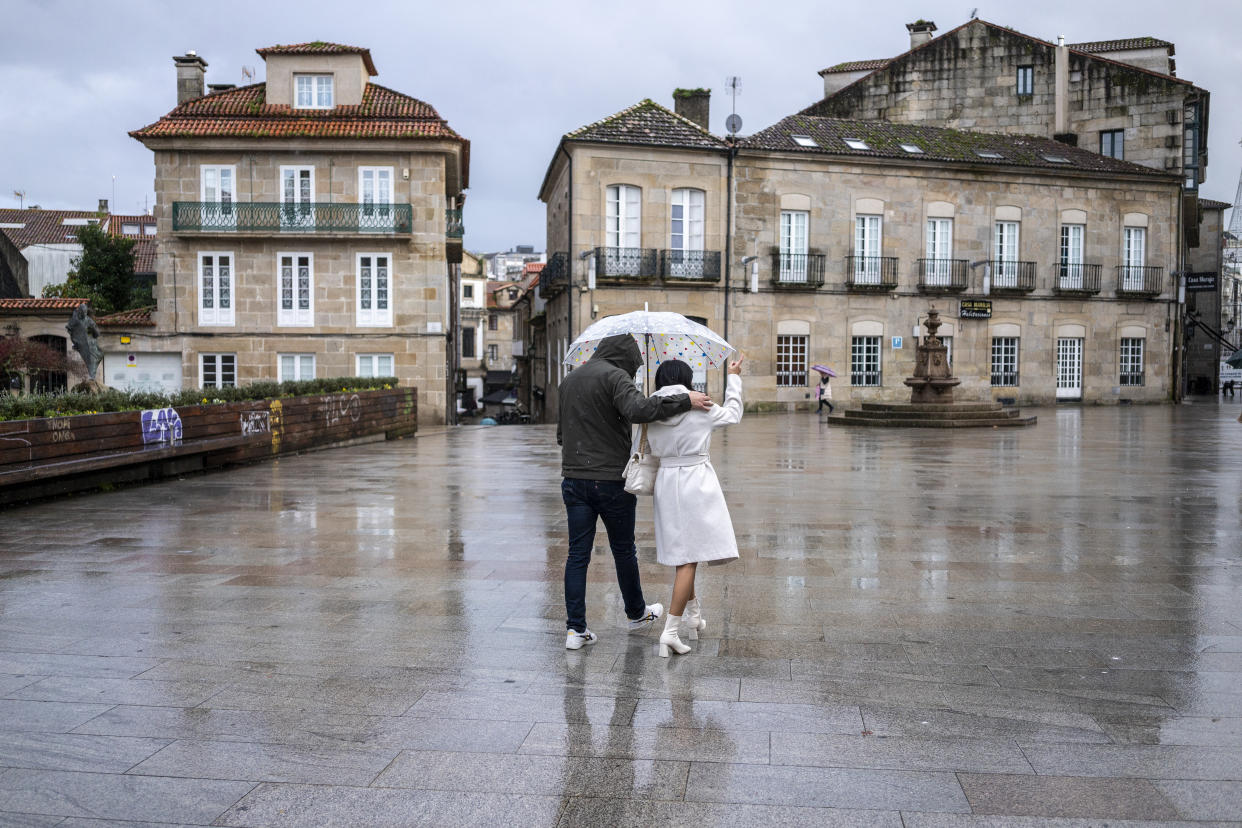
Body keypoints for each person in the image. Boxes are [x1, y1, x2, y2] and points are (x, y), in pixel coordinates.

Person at [557, 333, 714, 650]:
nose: (635, 373)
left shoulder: (569, 380)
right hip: (612, 479)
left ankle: (575, 630)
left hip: (574, 479)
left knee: (577, 555)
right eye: (635, 367)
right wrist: (687, 399)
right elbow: (638, 409)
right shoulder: (616, 376)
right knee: (623, 549)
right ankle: (636, 613)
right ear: (626, 358)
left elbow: (562, 435)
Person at [640, 356, 743, 657]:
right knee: (688, 558)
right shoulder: (698, 404)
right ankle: (670, 631)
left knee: (684, 552)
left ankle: (693, 614)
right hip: (695, 481)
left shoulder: (650, 408)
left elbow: (641, 446)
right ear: (686, 379)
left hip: (666, 481)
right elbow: (734, 414)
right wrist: (734, 377)